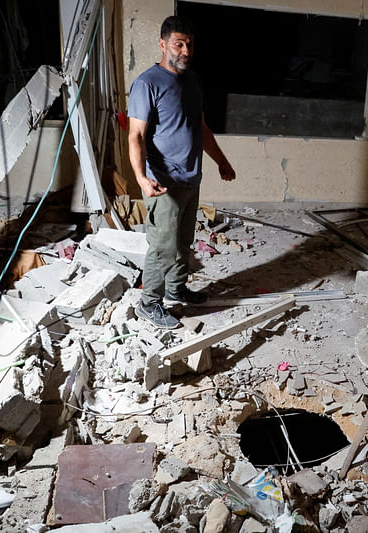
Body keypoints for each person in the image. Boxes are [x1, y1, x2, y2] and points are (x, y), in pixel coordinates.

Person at [128, 15, 236, 329]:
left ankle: (177, 289)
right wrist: (141, 178)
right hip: (163, 182)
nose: (185, 50)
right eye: (179, 44)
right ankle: (148, 304)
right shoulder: (147, 83)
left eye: (189, 44)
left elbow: (201, 128)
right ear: (163, 44)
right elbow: (135, 135)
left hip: (191, 177)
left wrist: (221, 160)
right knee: (162, 246)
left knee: (183, 241)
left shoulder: (193, 81)